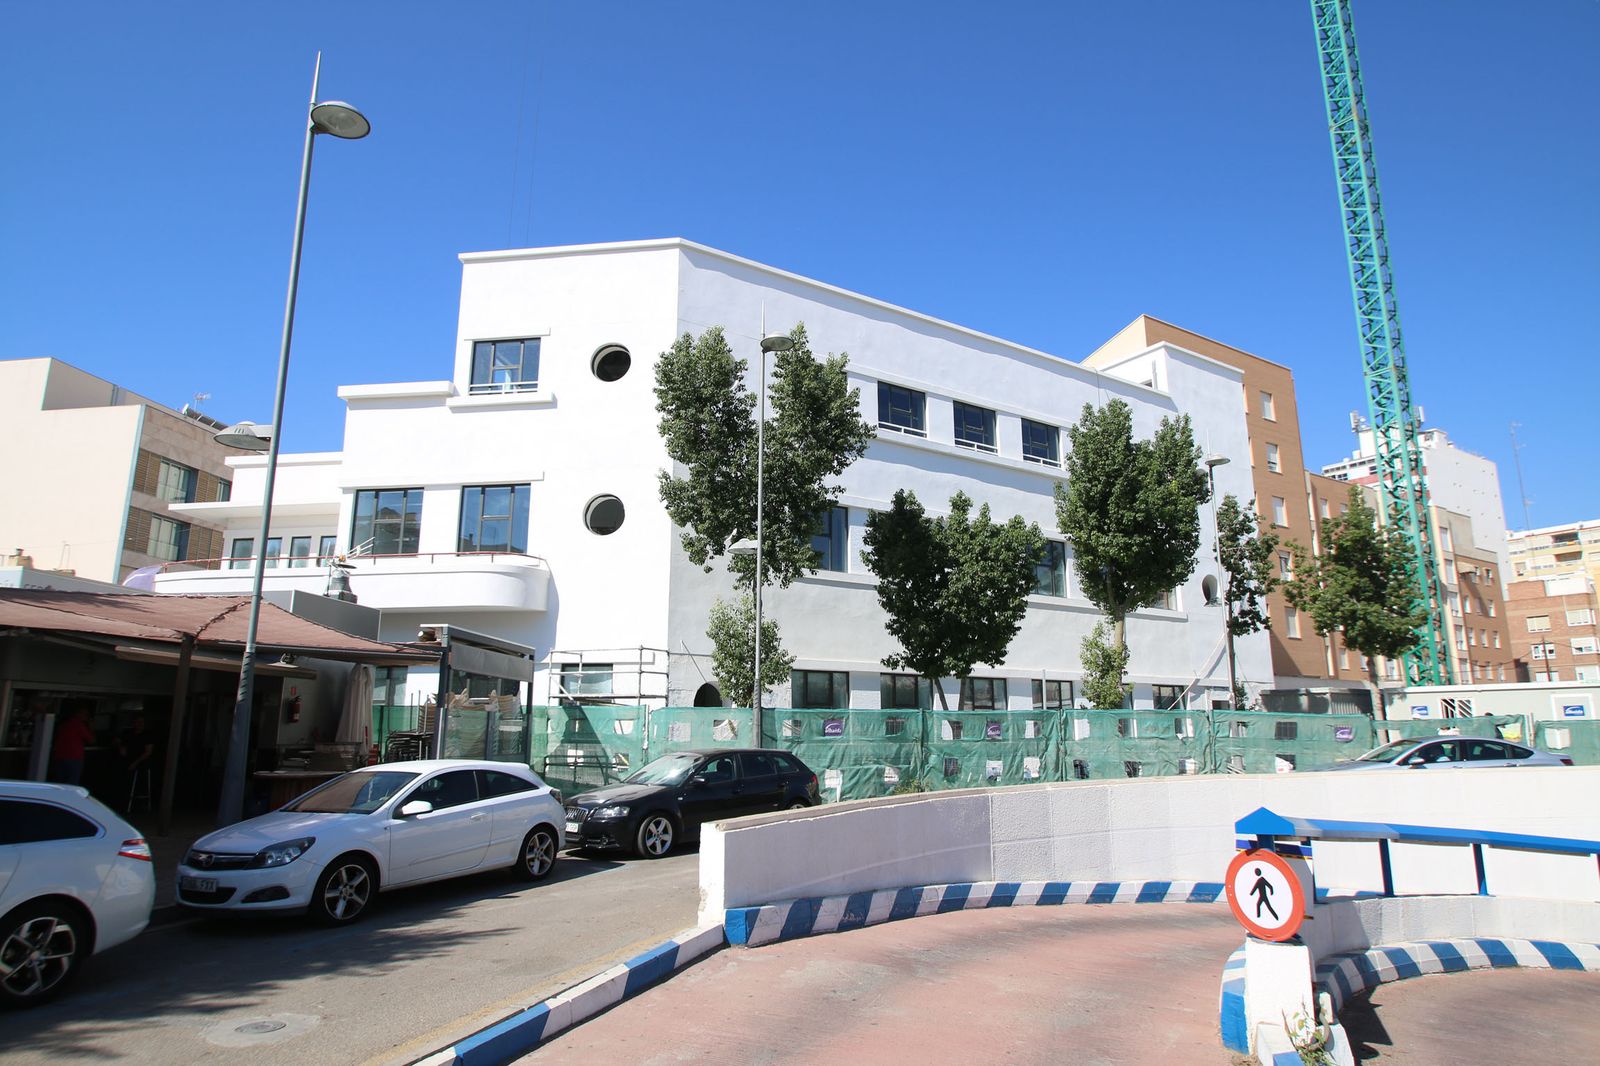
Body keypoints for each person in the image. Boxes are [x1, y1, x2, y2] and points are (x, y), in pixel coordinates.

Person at [49, 706, 95, 785]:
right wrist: (91, 727)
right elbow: (91, 740)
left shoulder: (64, 724)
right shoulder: (79, 725)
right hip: (73, 758)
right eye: (85, 714)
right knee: (71, 785)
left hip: (59, 757)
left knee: (58, 784)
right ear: (79, 714)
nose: (86, 717)